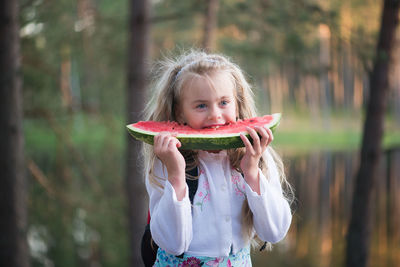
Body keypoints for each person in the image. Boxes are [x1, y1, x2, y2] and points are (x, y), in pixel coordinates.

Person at [142, 50, 293, 267]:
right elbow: (173, 245)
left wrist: (252, 172)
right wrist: (176, 176)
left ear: (237, 105)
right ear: (180, 112)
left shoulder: (256, 155)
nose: (215, 114)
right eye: (201, 105)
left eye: (224, 102)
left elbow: (275, 232)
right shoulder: (167, 160)